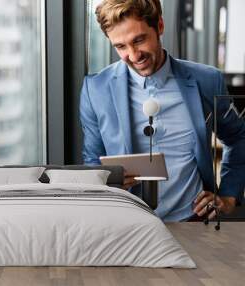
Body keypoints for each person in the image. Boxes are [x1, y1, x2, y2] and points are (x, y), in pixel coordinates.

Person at [80, 0, 245, 221]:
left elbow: (238, 138)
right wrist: (110, 179)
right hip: (126, 225)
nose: (134, 55)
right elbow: (92, 161)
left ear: (159, 26)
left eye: (139, 40)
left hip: (193, 221)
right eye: (120, 46)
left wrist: (228, 196)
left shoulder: (207, 80)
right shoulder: (95, 89)